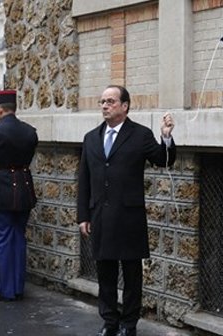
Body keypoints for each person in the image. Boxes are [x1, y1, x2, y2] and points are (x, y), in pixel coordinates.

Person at [77, 85, 176, 336]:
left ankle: (128, 324)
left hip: (129, 217)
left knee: (132, 276)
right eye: (102, 101)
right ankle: (109, 322)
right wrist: (83, 216)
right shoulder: (91, 138)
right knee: (105, 274)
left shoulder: (140, 135)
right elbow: (84, 180)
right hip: (100, 216)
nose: (105, 106)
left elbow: (163, 160)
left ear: (125, 106)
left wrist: (165, 136)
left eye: (110, 101)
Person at [0, 89, 38, 301]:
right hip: (23, 189)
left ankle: (6, 290)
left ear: (0, 109)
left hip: (0, 189)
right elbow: (28, 158)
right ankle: (18, 287)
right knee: (19, 239)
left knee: (2, 240)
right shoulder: (30, 131)